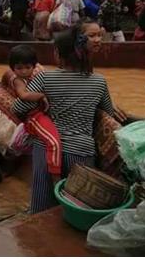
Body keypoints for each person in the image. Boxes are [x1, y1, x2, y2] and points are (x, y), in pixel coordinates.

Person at [14, 22, 121, 213]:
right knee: (75, 206)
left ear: (58, 54)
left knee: (40, 207)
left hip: (46, 148)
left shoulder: (45, 79)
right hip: (82, 151)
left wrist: (42, 99)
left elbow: (19, 108)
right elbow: (109, 114)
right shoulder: (99, 82)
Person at [8, 45, 61, 179]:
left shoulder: (35, 76)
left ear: (33, 66)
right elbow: (24, 96)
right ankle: (55, 175)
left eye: (28, 67)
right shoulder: (18, 80)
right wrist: (42, 96)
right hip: (33, 117)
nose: (24, 71)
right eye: (19, 68)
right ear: (13, 68)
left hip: (38, 113)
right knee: (53, 141)